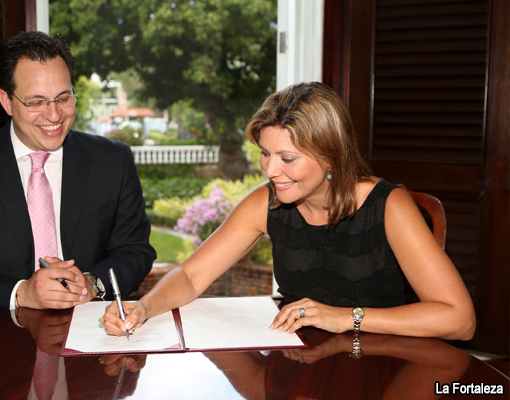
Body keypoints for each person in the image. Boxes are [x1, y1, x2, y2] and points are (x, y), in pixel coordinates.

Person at [103, 82, 475, 340]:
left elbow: (459, 319)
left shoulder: (389, 205)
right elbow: (190, 275)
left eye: (288, 158)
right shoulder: (266, 201)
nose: (270, 170)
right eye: (266, 153)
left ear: (331, 156)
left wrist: (346, 318)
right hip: (302, 360)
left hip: (382, 362)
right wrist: (143, 308)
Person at [0, 31, 156, 321]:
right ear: (6, 101)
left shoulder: (113, 160)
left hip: (94, 330)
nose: (54, 115)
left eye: (63, 98)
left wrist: (91, 284)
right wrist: (22, 293)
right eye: (36, 102)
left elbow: (135, 252)